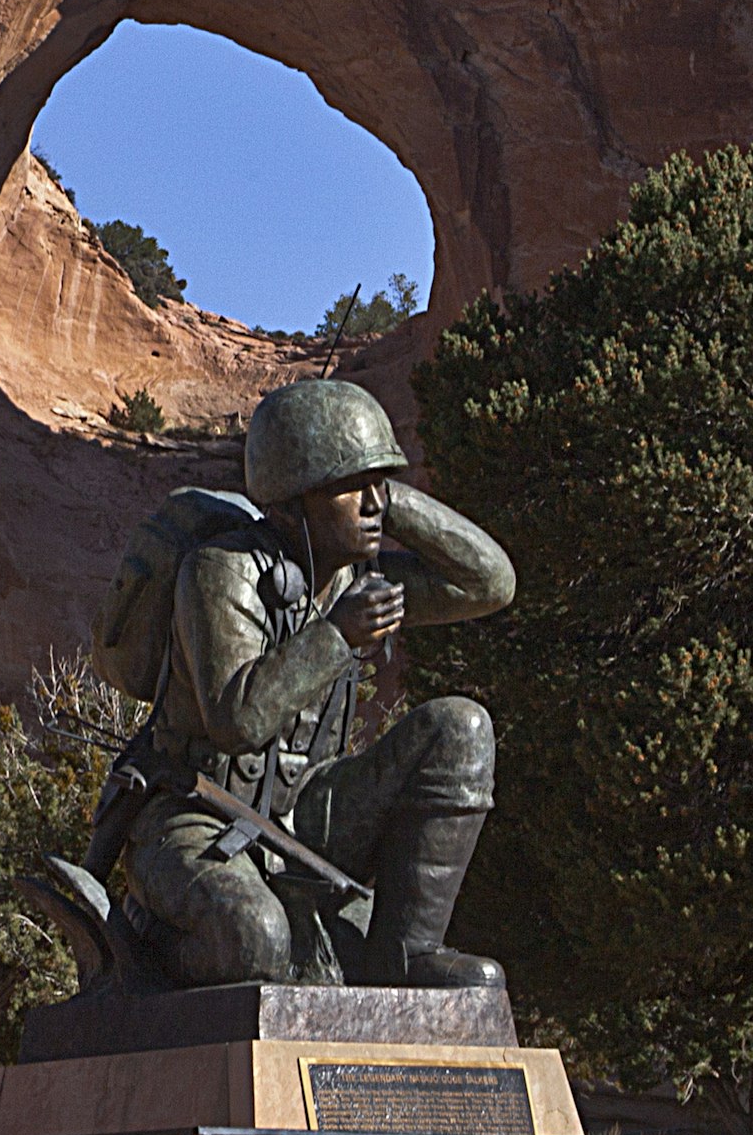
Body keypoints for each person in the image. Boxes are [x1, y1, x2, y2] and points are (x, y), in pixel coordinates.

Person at [117, 379, 516, 990]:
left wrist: (383, 488)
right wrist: (335, 636)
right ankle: (151, 954)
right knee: (258, 944)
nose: (372, 502)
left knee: (461, 729)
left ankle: (405, 956)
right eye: (349, 487)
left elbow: (489, 583)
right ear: (292, 497)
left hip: (306, 811)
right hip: (195, 815)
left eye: (378, 483)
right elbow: (236, 720)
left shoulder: (357, 575)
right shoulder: (223, 570)